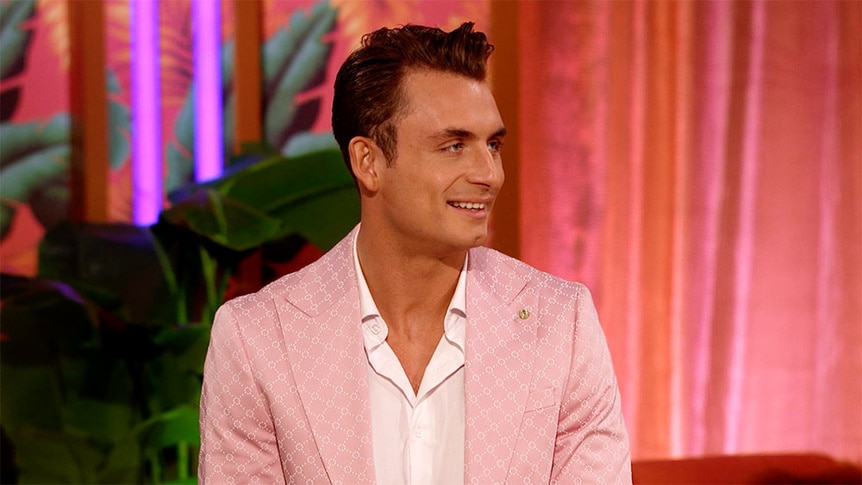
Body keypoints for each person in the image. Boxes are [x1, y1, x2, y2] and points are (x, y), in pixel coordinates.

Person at [198, 22, 631, 484]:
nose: (490, 174)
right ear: (369, 162)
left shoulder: (561, 325)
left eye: (493, 145)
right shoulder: (257, 341)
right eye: (454, 145)